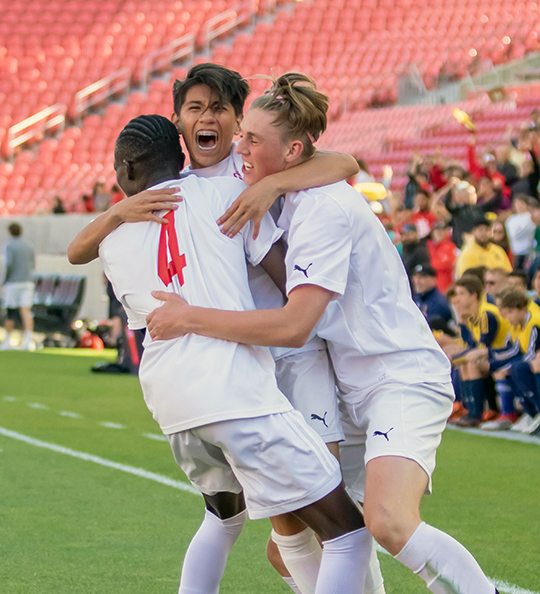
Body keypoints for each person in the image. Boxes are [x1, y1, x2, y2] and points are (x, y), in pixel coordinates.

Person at [147, 73, 500, 594]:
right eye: (239, 135)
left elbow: (294, 324)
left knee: (385, 521)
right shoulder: (261, 187)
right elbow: (332, 162)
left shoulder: (321, 206)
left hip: (394, 372)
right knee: (301, 539)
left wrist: (189, 316)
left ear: (289, 151)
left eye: (249, 137)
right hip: (342, 379)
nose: (238, 145)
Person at [67, 63, 379, 594]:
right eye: (196, 108)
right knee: (347, 533)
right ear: (179, 127)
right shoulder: (223, 198)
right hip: (241, 383)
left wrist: (118, 212)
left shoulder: (116, 239)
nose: (207, 117)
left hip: (172, 402)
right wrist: (312, 307)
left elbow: (78, 251)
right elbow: (288, 280)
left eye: (218, 108)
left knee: (223, 517)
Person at [451, 275, 511, 427]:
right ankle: (469, 411)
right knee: (464, 362)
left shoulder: (486, 313)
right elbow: (469, 344)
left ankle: (477, 414)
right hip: (491, 354)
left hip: (503, 354)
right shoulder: (471, 314)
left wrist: (456, 358)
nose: (457, 299)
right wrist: (462, 323)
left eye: (462, 294)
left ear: (474, 295)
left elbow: (482, 347)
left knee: (470, 362)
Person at [1, 222, 35, 350]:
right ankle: (28, 340)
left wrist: (4, 280)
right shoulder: (29, 246)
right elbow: (32, 265)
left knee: (10, 311)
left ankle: (8, 340)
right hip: (27, 282)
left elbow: (9, 264)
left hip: (14, 282)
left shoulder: (9, 246)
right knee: (26, 311)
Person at [412, 264, 454, 332]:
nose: (417, 281)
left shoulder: (440, 303)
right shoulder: (415, 298)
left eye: (422, 277)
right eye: (415, 277)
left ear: (433, 279)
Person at [505, 194, 537, 270]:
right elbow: (514, 235)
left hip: (530, 253)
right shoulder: (511, 219)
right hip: (515, 253)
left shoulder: (531, 217)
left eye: (521, 203)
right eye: (516, 203)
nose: (519, 206)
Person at [426, 221, 457, 293]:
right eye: (436, 230)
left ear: (445, 232)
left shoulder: (450, 247)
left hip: (447, 289)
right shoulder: (431, 248)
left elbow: (450, 264)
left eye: (441, 230)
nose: (438, 232)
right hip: (434, 289)